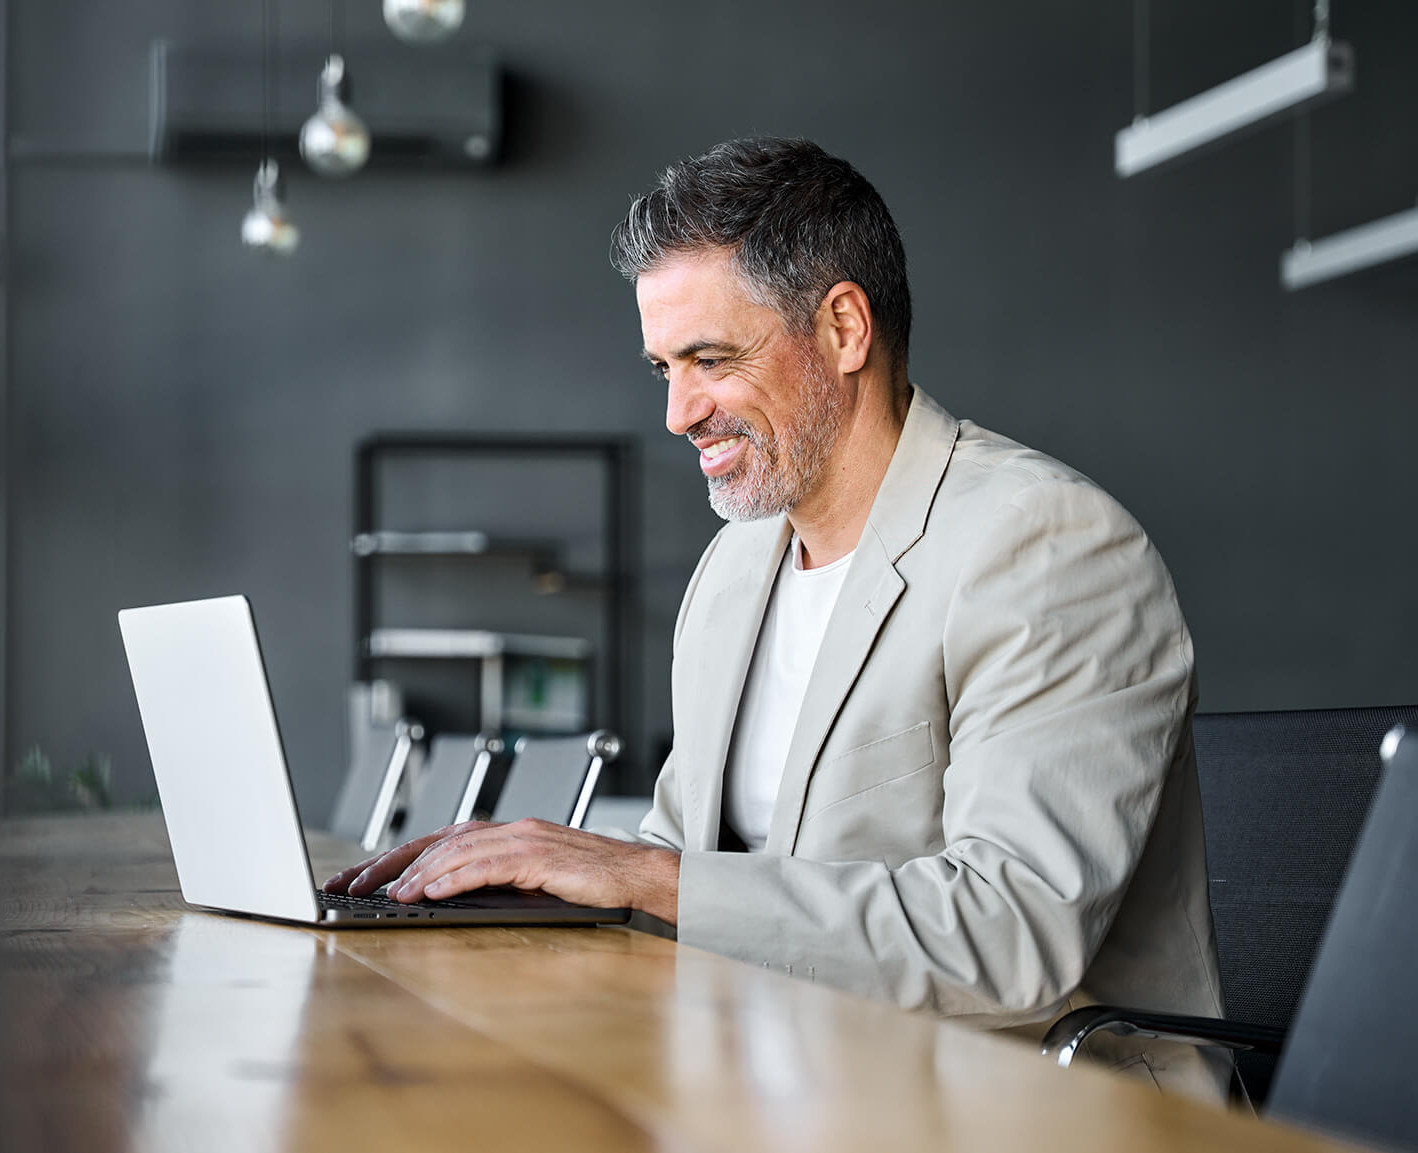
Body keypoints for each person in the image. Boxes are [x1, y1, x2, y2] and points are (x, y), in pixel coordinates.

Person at [324, 138, 1224, 1098]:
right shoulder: (735, 568)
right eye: (663, 367)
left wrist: (643, 878)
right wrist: (521, 884)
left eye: (709, 358)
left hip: (1018, 1102)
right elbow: (680, 860)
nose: (678, 413)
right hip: (784, 1077)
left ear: (843, 328)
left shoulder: (1048, 546)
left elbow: (1010, 933)